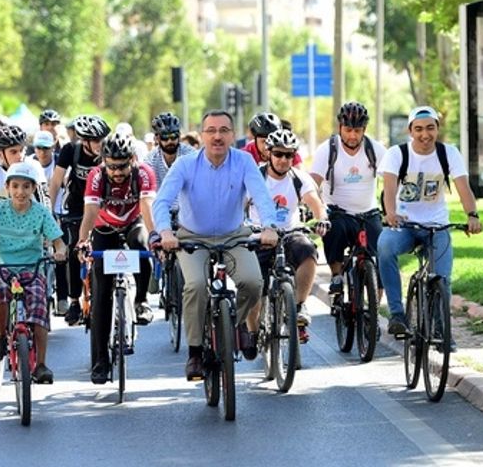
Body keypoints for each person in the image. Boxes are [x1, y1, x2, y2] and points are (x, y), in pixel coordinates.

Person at [153, 110, 278, 380]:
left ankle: (238, 323)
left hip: (234, 237)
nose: (217, 136)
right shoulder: (185, 165)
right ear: (202, 136)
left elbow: (262, 196)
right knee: (195, 285)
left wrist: (269, 226)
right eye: (211, 131)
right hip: (192, 239)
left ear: (233, 135)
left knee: (253, 282)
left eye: (223, 130)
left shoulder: (244, 161)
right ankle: (195, 352)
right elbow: (161, 201)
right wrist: (165, 232)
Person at [378, 105, 482, 347]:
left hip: (437, 226)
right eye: (419, 129)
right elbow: (390, 187)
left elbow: (463, 187)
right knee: (384, 246)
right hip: (404, 225)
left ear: (437, 128)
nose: (425, 134)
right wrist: (391, 213)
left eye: (430, 128)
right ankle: (397, 314)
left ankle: (441, 330)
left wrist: (472, 215)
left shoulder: (449, 153)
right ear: (410, 131)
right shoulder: (397, 154)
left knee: (442, 279)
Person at [0, 162, 65, 384]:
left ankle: (41, 364)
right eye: (15, 186)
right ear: (7, 188)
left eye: (26, 186)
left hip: (33, 269)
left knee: (40, 308)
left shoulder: (41, 212)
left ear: (33, 189)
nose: (20, 192)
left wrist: (59, 251)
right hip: (4, 268)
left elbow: (59, 242)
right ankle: (0, 336)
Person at [77, 132, 157, 383]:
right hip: (104, 228)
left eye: (122, 166)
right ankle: (101, 361)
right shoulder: (96, 175)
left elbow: (147, 207)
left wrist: (156, 236)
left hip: (133, 222)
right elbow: (90, 211)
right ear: (104, 162)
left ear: (132, 159)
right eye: (111, 166)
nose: (117, 172)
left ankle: (141, 300)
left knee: (142, 243)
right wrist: (82, 240)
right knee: (101, 295)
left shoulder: (143, 173)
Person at [248, 128, 331, 343]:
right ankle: (252, 331)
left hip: (289, 233)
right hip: (259, 236)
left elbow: (316, 204)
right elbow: (238, 205)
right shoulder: (255, 177)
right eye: (278, 154)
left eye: (289, 155)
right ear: (268, 153)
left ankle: (298, 305)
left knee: (308, 252)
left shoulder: (298, 178)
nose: (283, 160)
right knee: (253, 286)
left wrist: (321, 218)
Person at [309, 101, 388, 300]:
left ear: (364, 130)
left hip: (368, 212)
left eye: (358, 130)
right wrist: (316, 209)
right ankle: (336, 275)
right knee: (332, 230)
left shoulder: (375, 149)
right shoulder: (327, 150)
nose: (352, 136)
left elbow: (391, 181)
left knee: (380, 259)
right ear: (340, 128)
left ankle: (374, 311)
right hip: (338, 211)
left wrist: (392, 209)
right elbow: (313, 183)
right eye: (348, 130)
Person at [48, 115, 110, 324]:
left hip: (102, 205)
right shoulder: (70, 151)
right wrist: (50, 212)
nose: (101, 145)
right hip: (76, 206)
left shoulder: (108, 152)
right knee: (75, 249)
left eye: (103, 139)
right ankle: (74, 300)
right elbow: (56, 182)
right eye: (96, 141)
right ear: (85, 141)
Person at [30, 130, 67, 314]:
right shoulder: (28, 163)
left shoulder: (60, 163)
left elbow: (65, 183)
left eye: (46, 148)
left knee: (60, 252)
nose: (42, 152)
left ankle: (62, 298)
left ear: (53, 147)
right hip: (33, 214)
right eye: (39, 148)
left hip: (59, 212)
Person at [143, 112, 196, 187]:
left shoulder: (191, 155)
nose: (170, 141)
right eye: (165, 137)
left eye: (174, 136)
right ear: (157, 139)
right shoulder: (150, 161)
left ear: (179, 136)